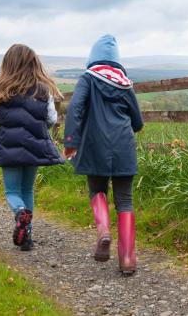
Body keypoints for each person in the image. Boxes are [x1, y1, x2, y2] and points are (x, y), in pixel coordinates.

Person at [63, 34, 144, 274]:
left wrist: (71, 140)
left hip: (94, 147)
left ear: (93, 57)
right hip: (123, 149)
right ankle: (128, 259)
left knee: (97, 190)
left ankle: (103, 231)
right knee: (125, 201)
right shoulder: (125, 83)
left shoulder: (88, 79)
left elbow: (75, 107)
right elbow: (137, 122)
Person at [0, 44, 64, 251]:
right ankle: (27, 236)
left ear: (7, 64)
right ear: (34, 64)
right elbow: (51, 118)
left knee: (12, 190)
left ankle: (20, 212)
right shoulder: (43, 89)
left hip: (9, 146)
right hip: (35, 146)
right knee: (27, 188)